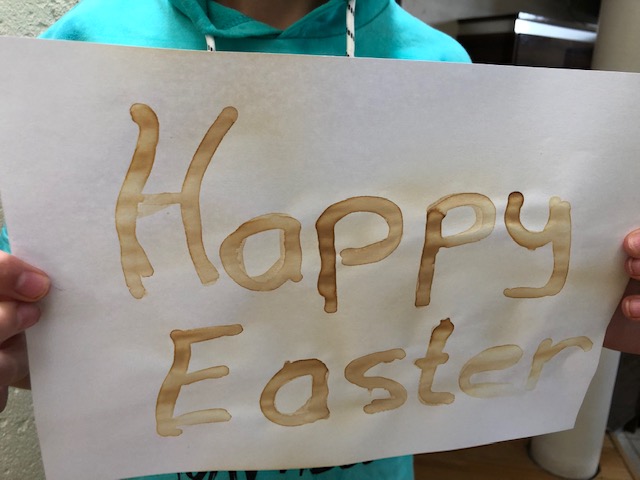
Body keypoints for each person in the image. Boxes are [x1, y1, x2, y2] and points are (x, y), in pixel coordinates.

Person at [1, 1, 639, 479]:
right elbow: (42, 315)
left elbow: (468, 279)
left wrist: (587, 298)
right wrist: (18, 337)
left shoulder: (440, 65)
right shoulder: (83, 49)